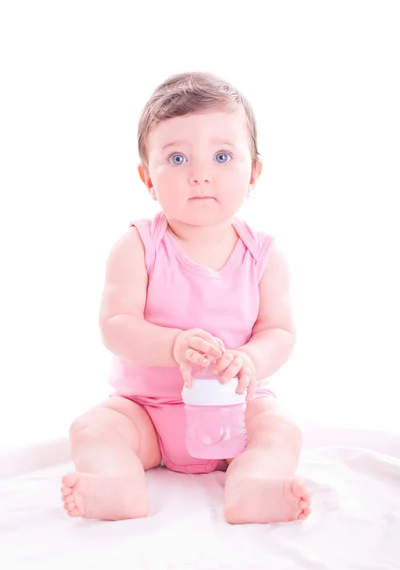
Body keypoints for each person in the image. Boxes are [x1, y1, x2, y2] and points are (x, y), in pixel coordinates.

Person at [61, 72, 311, 524]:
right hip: (150, 417)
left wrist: (249, 360)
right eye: (177, 158)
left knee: (280, 428)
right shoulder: (138, 246)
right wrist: (172, 345)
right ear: (147, 177)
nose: (199, 175)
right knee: (94, 428)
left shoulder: (264, 256)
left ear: (253, 172)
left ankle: (251, 488)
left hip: (236, 411)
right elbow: (116, 324)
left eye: (222, 156)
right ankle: (119, 487)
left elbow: (279, 331)